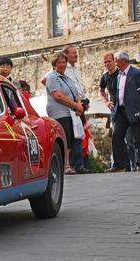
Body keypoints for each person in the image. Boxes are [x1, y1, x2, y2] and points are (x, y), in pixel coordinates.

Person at [45, 53, 85, 175]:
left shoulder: (67, 78)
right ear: (54, 64)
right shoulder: (52, 77)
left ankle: (69, 163)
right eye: (59, 62)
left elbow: (76, 92)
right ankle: (65, 165)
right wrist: (75, 105)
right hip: (59, 111)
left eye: (63, 62)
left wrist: (79, 105)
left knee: (71, 137)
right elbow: (58, 96)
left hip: (70, 111)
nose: (62, 64)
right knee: (65, 136)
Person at [105, 51, 140, 172]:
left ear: (122, 60)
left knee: (137, 139)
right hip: (120, 111)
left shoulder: (136, 73)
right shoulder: (119, 75)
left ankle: (139, 164)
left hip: (134, 111)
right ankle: (119, 164)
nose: (114, 62)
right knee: (116, 137)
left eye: (115, 59)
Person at [63, 45, 90, 173]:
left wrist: (85, 100)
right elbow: (46, 80)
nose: (76, 55)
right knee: (75, 135)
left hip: (80, 103)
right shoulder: (63, 69)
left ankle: (79, 164)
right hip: (72, 105)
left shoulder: (76, 69)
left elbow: (79, 87)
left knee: (80, 134)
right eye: (73, 53)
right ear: (66, 55)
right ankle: (76, 165)